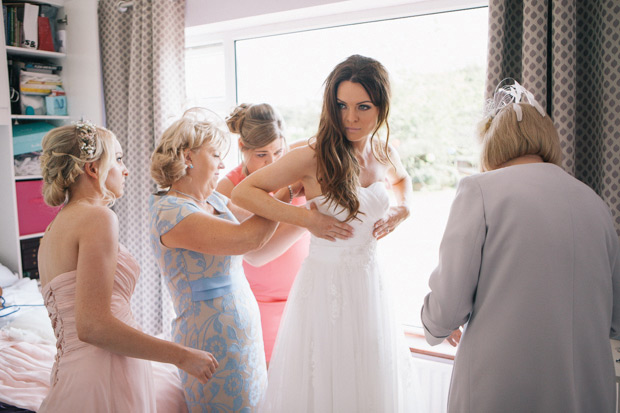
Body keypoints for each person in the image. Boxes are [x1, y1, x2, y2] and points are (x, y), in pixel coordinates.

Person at [232, 55, 424, 412]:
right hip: (324, 289)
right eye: (342, 106)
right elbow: (244, 192)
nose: (350, 118)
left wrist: (403, 209)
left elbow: (403, 180)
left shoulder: (382, 150)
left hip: (370, 286)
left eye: (363, 107)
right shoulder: (311, 155)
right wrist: (307, 219)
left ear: (381, 108)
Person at [421, 80, 620, 412]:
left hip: (501, 384)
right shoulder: (594, 201)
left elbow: (447, 306)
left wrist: (434, 324)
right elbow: (615, 314)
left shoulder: (479, 190)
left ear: (492, 143)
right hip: (586, 389)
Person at [148, 108, 349, 412]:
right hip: (210, 341)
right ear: (188, 157)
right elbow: (250, 239)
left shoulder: (213, 199)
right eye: (215, 154)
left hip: (244, 336)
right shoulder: (172, 212)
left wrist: (292, 187)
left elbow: (264, 221)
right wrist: (297, 199)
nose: (222, 164)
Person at [37, 121, 218, 412]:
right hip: (103, 371)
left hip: (75, 370)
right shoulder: (98, 218)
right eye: (118, 159)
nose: (126, 170)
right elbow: (93, 326)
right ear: (93, 169)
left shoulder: (52, 231)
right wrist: (180, 355)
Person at [216, 103, 310, 364]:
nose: (272, 162)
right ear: (242, 148)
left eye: (279, 151)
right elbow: (256, 250)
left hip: (304, 296)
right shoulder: (227, 189)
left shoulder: (298, 162)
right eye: (261, 155)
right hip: (259, 306)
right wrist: (293, 199)